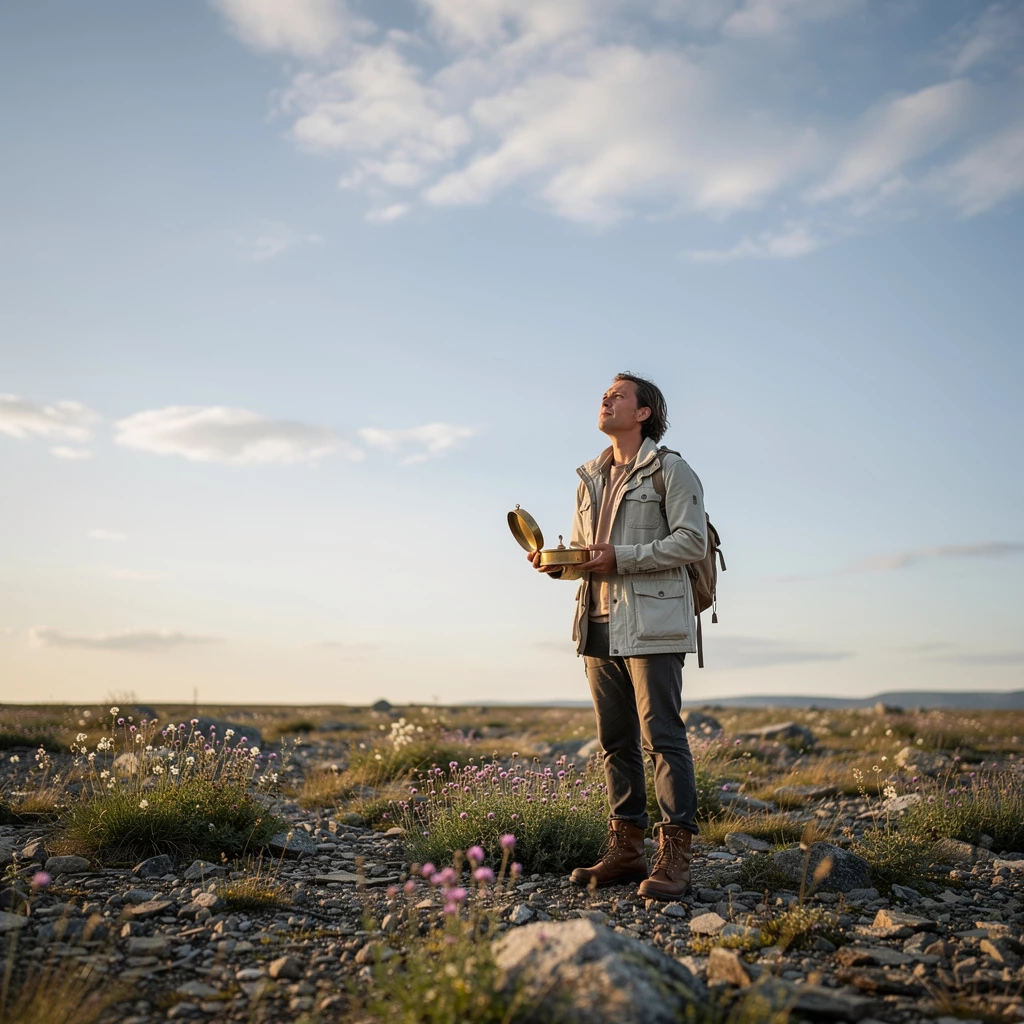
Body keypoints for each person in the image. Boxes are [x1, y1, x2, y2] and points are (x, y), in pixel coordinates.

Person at [527, 373, 708, 900]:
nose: (605, 400)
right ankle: (625, 850)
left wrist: (621, 558)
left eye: (618, 395)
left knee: (664, 740)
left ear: (644, 412)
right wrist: (557, 564)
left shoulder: (671, 470)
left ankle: (675, 857)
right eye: (604, 395)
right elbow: (588, 555)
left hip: (653, 625)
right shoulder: (590, 476)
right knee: (615, 743)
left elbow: (691, 542)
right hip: (597, 622)